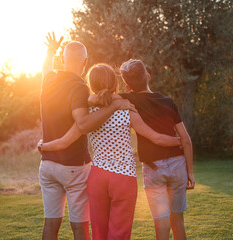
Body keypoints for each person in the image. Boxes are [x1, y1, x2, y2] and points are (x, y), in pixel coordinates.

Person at [39, 63, 182, 240]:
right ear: (115, 83)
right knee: (119, 233)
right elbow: (154, 137)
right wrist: (180, 141)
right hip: (123, 177)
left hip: (97, 177)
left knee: (99, 231)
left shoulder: (87, 112)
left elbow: (65, 140)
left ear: (91, 85)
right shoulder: (127, 109)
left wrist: (44, 146)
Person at [39, 33, 137, 240]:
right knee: (79, 226)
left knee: (50, 223)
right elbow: (83, 123)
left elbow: (45, 67)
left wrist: (51, 50)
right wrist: (116, 105)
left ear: (64, 60)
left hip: (47, 165)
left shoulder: (48, 79)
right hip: (73, 166)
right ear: (84, 62)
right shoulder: (79, 87)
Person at [119, 59, 195, 240]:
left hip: (153, 169)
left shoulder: (128, 99)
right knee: (178, 220)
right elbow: (186, 139)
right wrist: (190, 172)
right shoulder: (167, 101)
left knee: (161, 222)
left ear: (127, 86)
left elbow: (101, 97)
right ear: (148, 76)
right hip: (178, 165)